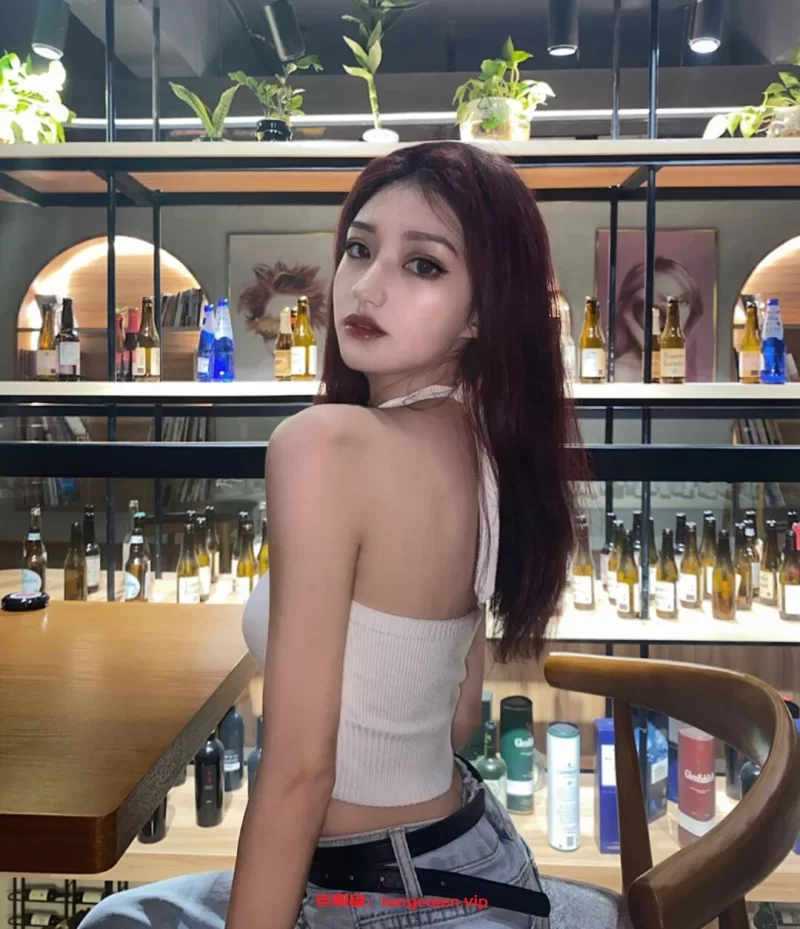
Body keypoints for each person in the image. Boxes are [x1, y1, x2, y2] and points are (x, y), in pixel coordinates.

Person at [81, 141, 586, 929]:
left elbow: (298, 773)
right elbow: (456, 718)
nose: (368, 285)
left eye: (423, 265)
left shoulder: (324, 446)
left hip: (384, 890)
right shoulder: (488, 446)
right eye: (359, 249)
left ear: (482, 312)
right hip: (478, 861)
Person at [613, 256, 705, 382]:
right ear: (632, 308)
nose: (671, 311)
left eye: (683, 302)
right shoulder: (622, 372)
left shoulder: (681, 365)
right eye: (661, 301)